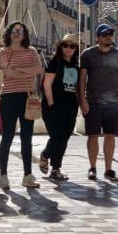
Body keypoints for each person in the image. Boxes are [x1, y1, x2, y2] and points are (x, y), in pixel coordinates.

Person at [79, 24, 118, 184]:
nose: (108, 37)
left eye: (110, 34)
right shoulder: (88, 54)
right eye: (104, 34)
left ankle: (109, 169)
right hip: (92, 102)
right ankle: (92, 168)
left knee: (110, 136)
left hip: (113, 103)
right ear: (97, 37)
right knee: (92, 135)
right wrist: (82, 99)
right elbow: (82, 78)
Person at [0, 21, 45, 189]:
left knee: (27, 137)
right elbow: (7, 73)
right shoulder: (3, 51)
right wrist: (26, 70)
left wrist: (17, 69)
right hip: (9, 96)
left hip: (28, 97)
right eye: (14, 30)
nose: (17, 33)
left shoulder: (31, 51)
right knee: (7, 135)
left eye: (20, 31)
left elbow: (38, 70)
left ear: (24, 34)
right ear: (9, 33)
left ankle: (27, 175)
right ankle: (3, 176)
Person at [39, 33, 82, 181]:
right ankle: (45, 155)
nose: (69, 48)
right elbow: (47, 84)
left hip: (70, 106)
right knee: (57, 136)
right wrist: (51, 104)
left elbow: (77, 87)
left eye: (72, 46)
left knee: (65, 137)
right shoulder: (55, 62)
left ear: (76, 49)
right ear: (61, 47)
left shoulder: (76, 65)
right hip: (53, 106)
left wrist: (81, 103)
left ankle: (56, 168)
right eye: (65, 45)